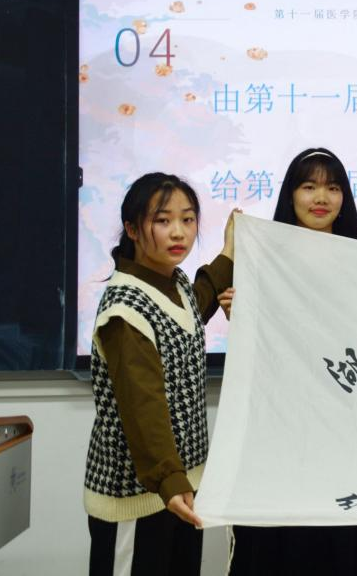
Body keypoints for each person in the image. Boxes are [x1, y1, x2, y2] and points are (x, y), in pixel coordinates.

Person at [227, 147, 357, 576]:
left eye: (332, 187)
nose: (321, 197)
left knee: (345, 544)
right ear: (291, 195)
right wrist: (239, 310)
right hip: (283, 433)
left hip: (348, 433)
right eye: (309, 186)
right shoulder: (263, 260)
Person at [84, 173, 236, 576]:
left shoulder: (173, 282)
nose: (178, 232)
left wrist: (229, 251)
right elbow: (143, 407)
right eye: (163, 220)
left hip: (180, 487)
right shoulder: (125, 309)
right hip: (140, 495)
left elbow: (197, 303)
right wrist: (170, 481)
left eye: (187, 219)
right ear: (133, 229)